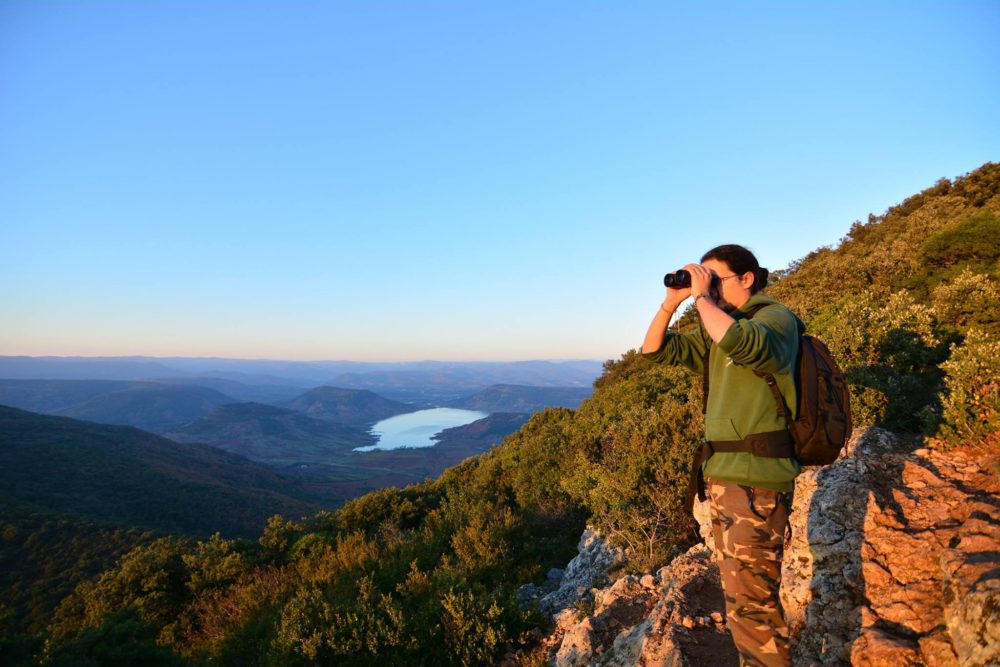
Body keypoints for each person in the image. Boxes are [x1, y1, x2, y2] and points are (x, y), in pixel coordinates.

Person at [641, 244, 802, 667]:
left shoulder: (774, 319)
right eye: (702, 277)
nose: (706, 285)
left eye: (716, 277)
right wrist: (671, 303)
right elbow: (653, 351)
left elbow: (744, 343)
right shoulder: (719, 332)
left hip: (756, 481)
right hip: (727, 480)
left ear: (747, 278)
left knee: (752, 607)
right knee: (742, 599)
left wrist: (702, 298)